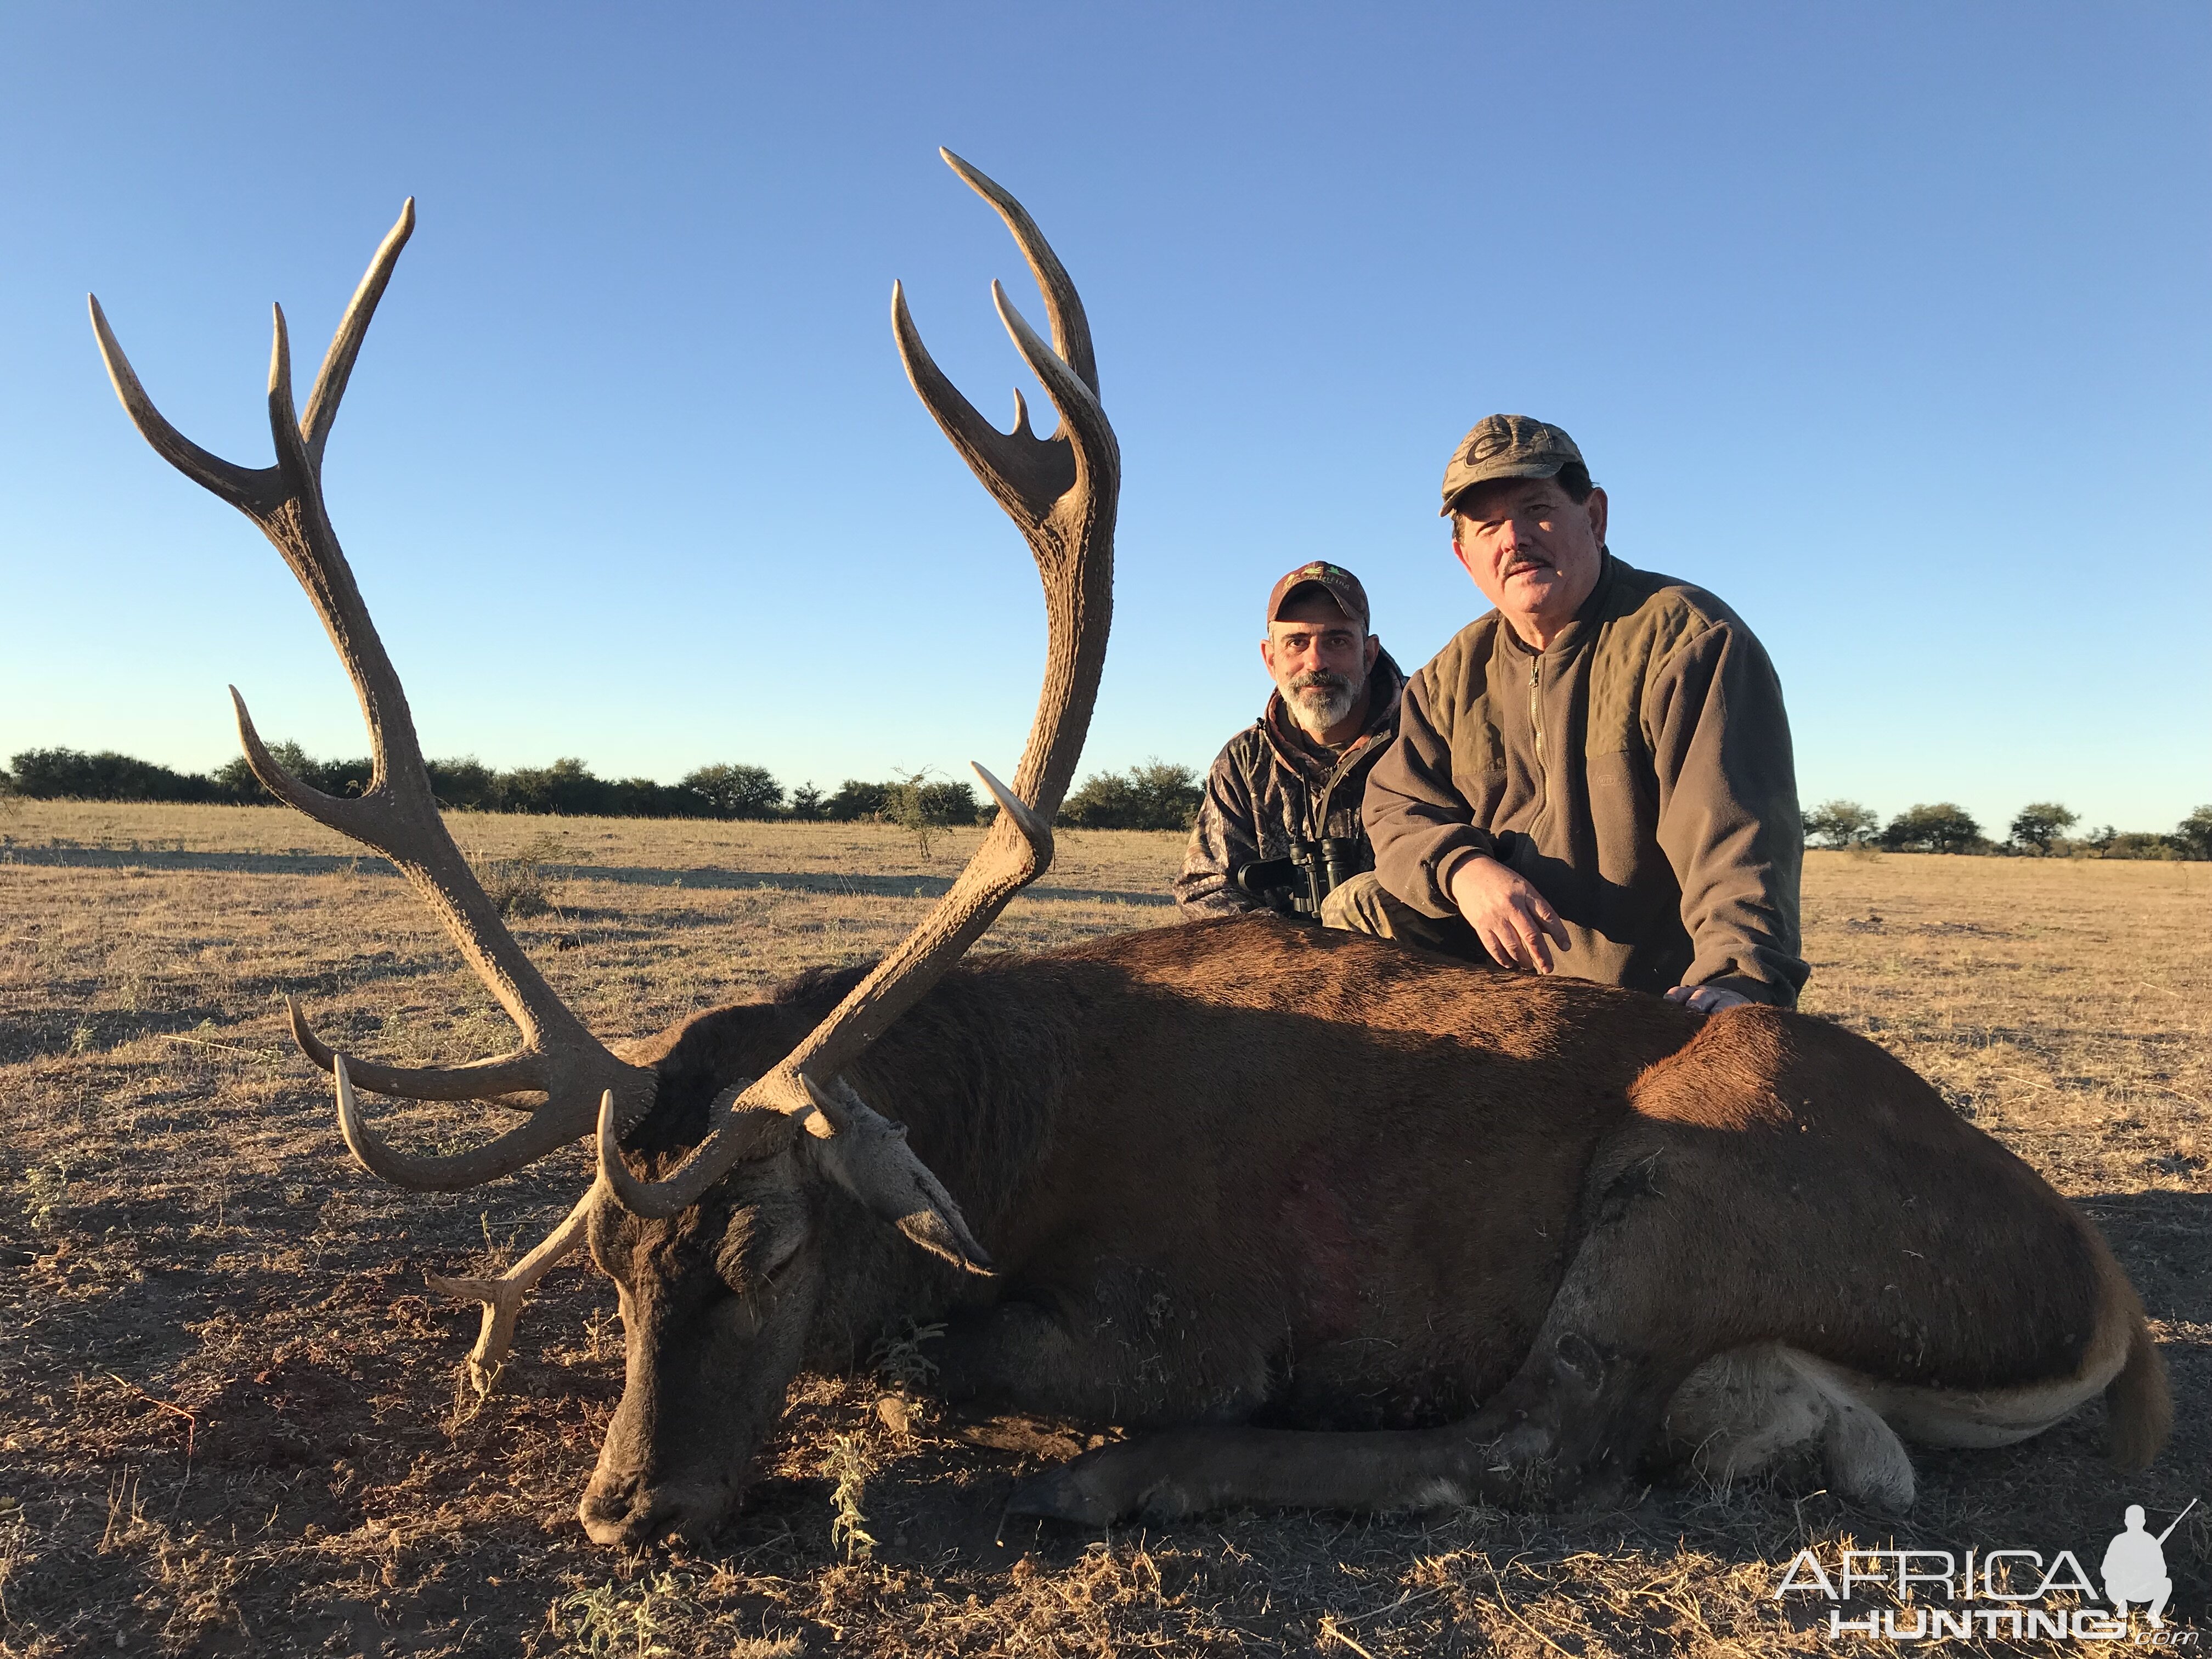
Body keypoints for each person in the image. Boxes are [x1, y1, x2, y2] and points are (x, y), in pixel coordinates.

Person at [1336, 414, 1807, 1010]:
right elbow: (1396, 807)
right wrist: (1463, 870)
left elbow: (1737, 839)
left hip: (1645, 999)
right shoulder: (1450, 674)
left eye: (1538, 509)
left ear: (1595, 517)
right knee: (1355, 906)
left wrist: (1738, 982)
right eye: (1488, 526)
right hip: (1502, 983)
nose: (1514, 539)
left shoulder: (1689, 639)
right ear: (1464, 557)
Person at [1175, 561, 1406, 918]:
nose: (1316, 662)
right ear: (1270, 659)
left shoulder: (1428, 732)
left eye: (1338, 640)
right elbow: (1207, 885)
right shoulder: (1243, 762)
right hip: (1283, 965)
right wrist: (1290, 949)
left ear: (1369, 652)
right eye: (1297, 643)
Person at [2102, 1504, 2174, 1628]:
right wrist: (2122, 1574)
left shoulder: (2151, 1542)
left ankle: (2153, 1615)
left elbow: (2162, 1571)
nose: (2135, 1522)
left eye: (2138, 1519)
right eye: (2132, 1519)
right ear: (2126, 1522)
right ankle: (2121, 1609)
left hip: (2144, 1588)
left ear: (2143, 1522)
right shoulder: (2118, 1541)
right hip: (2123, 1588)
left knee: (2166, 1583)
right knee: (2110, 1583)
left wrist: (2147, 1573)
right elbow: (2106, 1570)